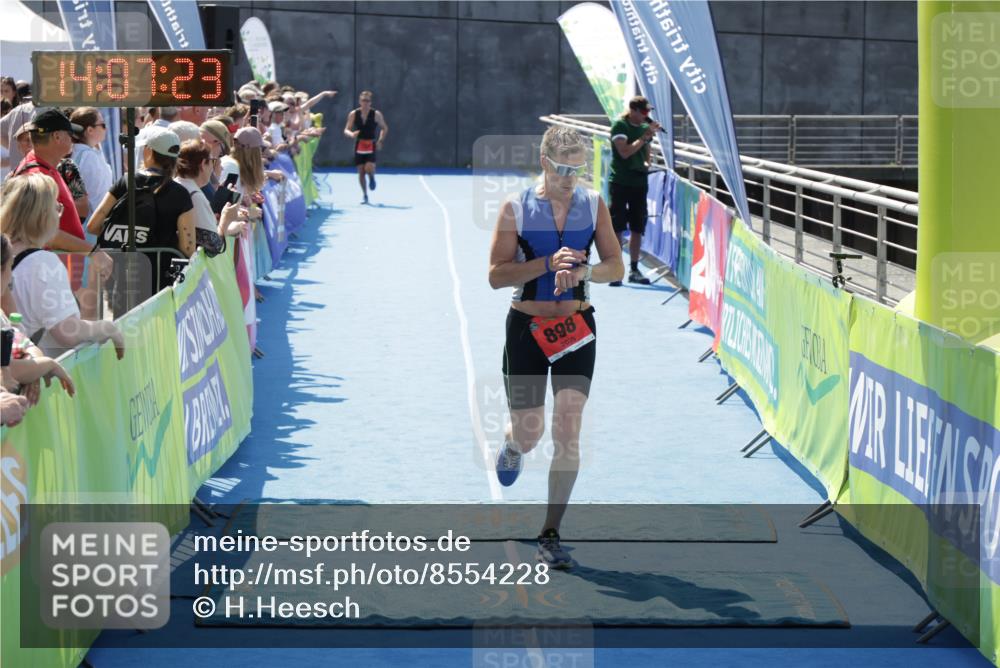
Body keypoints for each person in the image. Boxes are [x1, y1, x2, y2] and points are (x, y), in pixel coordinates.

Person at [487, 126, 623, 568]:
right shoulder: (515, 207)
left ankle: (550, 532)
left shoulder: (593, 203)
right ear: (544, 162)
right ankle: (511, 444)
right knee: (530, 435)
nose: (571, 176)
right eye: (563, 168)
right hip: (526, 327)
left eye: (578, 167)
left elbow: (615, 267)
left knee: (568, 426)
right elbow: (496, 276)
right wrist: (546, 264)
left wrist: (584, 274)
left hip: (576, 328)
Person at [1, 173, 123, 358]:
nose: (60, 213)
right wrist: (108, 328)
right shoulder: (43, 264)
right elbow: (68, 332)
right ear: (43, 217)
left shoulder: (5, 254)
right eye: (57, 208)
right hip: (40, 374)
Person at [87, 127, 195, 300]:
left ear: (148, 152)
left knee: (123, 324)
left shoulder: (126, 181)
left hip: (121, 276)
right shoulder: (180, 194)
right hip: (159, 281)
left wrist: (125, 235)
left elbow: (93, 226)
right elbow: (188, 247)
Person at [12, 109, 92, 259]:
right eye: (70, 135)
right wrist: (93, 252)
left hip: (53, 269)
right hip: (46, 272)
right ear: (57, 137)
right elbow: (42, 231)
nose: (72, 140)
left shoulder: (42, 167)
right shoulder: (37, 175)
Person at [608, 96, 661, 286]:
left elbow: (646, 155)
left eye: (648, 112)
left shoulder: (643, 130)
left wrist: (646, 164)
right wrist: (644, 136)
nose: (647, 116)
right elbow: (624, 152)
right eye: (644, 112)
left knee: (638, 227)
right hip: (621, 182)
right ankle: (615, 269)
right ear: (633, 110)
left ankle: (634, 269)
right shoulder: (620, 126)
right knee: (618, 227)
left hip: (639, 183)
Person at [174, 139, 248, 254]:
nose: (213, 168)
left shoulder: (175, 185)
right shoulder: (195, 195)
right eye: (213, 161)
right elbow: (214, 245)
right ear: (203, 164)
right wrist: (226, 219)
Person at [343, 90, 387, 204]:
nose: (365, 103)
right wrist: (351, 134)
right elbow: (346, 129)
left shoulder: (376, 114)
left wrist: (380, 140)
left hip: (371, 144)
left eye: (367, 101)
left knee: (369, 166)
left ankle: (372, 177)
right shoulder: (354, 114)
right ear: (360, 101)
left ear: (370, 102)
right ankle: (365, 195)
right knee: (361, 172)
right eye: (363, 100)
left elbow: (384, 128)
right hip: (359, 144)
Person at [69, 108, 114, 214]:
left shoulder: (85, 153)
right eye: (103, 125)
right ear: (90, 130)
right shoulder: (89, 158)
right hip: (91, 225)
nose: (106, 128)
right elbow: (97, 199)